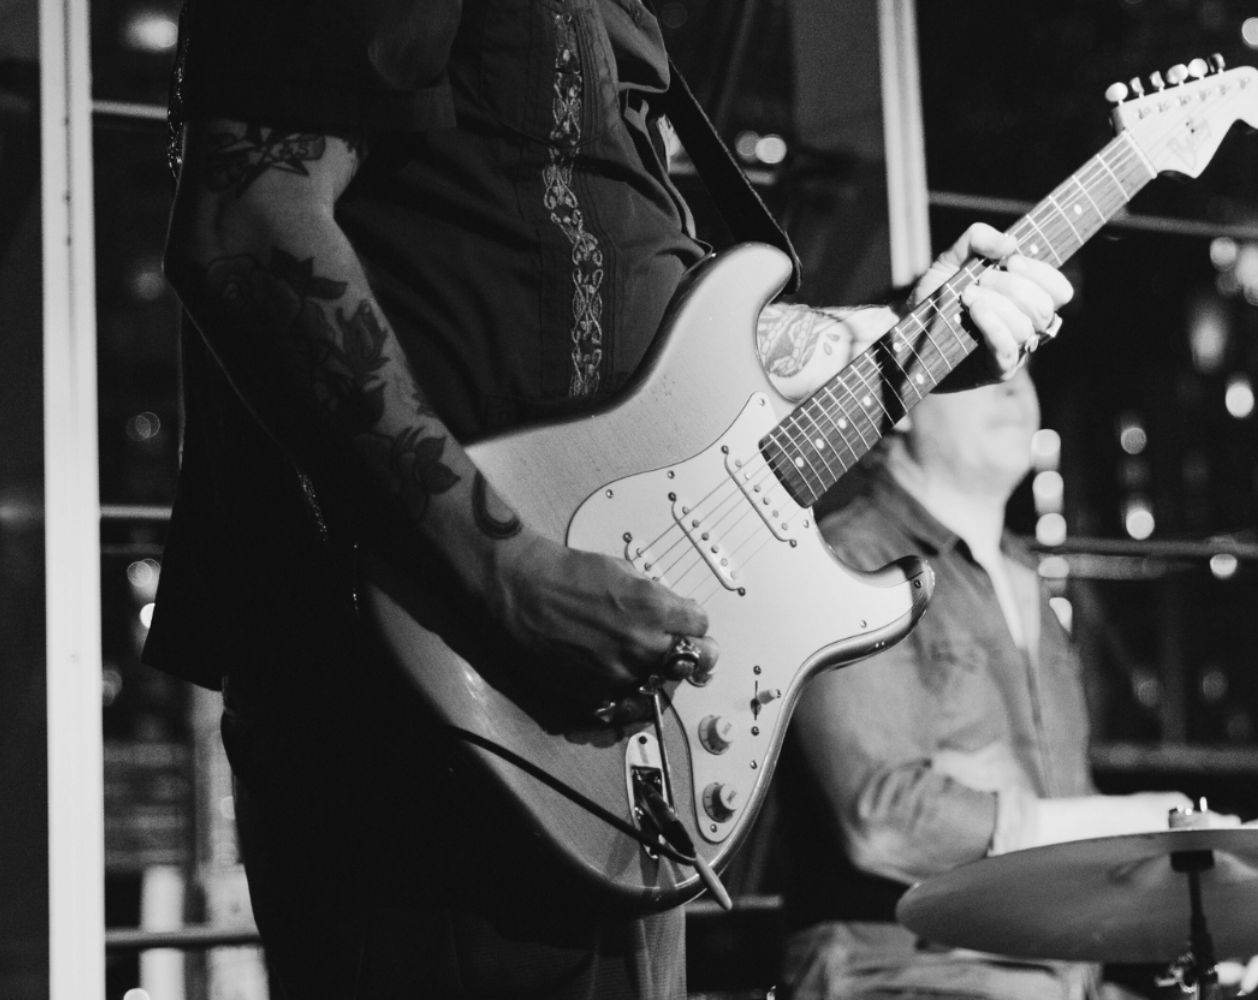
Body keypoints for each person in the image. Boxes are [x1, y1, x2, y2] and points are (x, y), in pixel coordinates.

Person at [145, 2, 1074, 998]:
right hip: (422, 696)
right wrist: (508, 578)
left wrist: (902, 336)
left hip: (600, 737)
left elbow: (657, 334)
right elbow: (245, 224)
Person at [780, 367, 1214, 1000]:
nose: (1015, 388)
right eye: (980, 366)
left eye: (1027, 367)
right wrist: (1128, 823)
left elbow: (1061, 813)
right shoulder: (847, 558)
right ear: (898, 401)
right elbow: (885, 819)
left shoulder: (1025, 577)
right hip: (901, 980)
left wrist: (1187, 917)